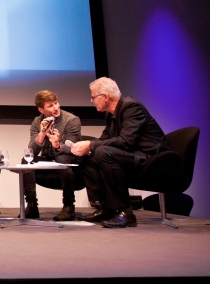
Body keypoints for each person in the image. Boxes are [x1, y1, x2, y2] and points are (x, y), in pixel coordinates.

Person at [69, 77, 172, 228]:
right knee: (90, 155)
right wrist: (87, 147)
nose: (91, 101)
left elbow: (126, 141)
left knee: (103, 152)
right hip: (134, 155)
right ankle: (106, 207)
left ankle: (126, 212)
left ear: (104, 97)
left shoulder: (131, 107)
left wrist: (91, 144)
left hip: (151, 158)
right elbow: (104, 139)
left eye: (93, 97)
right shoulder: (111, 114)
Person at [23, 90, 87, 221]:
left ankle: (69, 206)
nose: (56, 108)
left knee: (62, 158)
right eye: (50, 106)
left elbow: (73, 149)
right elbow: (32, 151)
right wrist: (41, 134)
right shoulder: (37, 122)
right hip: (49, 162)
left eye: (56, 103)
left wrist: (57, 144)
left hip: (70, 164)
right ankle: (32, 205)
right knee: (26, 160)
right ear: (41, 109)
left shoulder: (72, 120)